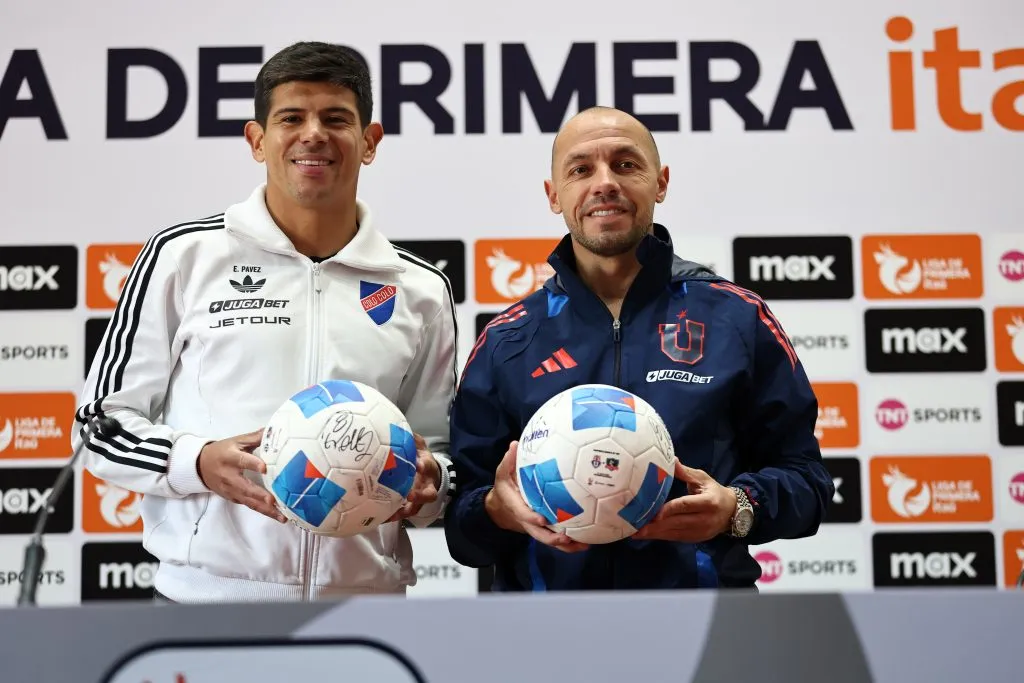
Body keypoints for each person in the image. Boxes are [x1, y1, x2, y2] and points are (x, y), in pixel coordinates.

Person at [72, 41, 459, 603]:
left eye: (336, 119)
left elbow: (439, 448)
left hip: (364, 612)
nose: (313, 134)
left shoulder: (420, 288)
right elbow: (99, 426)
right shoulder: (185, 257)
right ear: (258, 140)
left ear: (369, 142)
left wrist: (434, 483)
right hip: (203, 602)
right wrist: (197, 462)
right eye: (291, 118)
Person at [443, 106, 834, 591]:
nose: (604, 183)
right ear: (553, 195)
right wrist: (494, 511)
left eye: (626, 164)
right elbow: (463, 529)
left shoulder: (736, 317)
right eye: (581, 169)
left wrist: (737, 508)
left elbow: (809, 482)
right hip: (548, 642)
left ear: (661, 182)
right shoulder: (508, 340)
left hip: (707, 633)